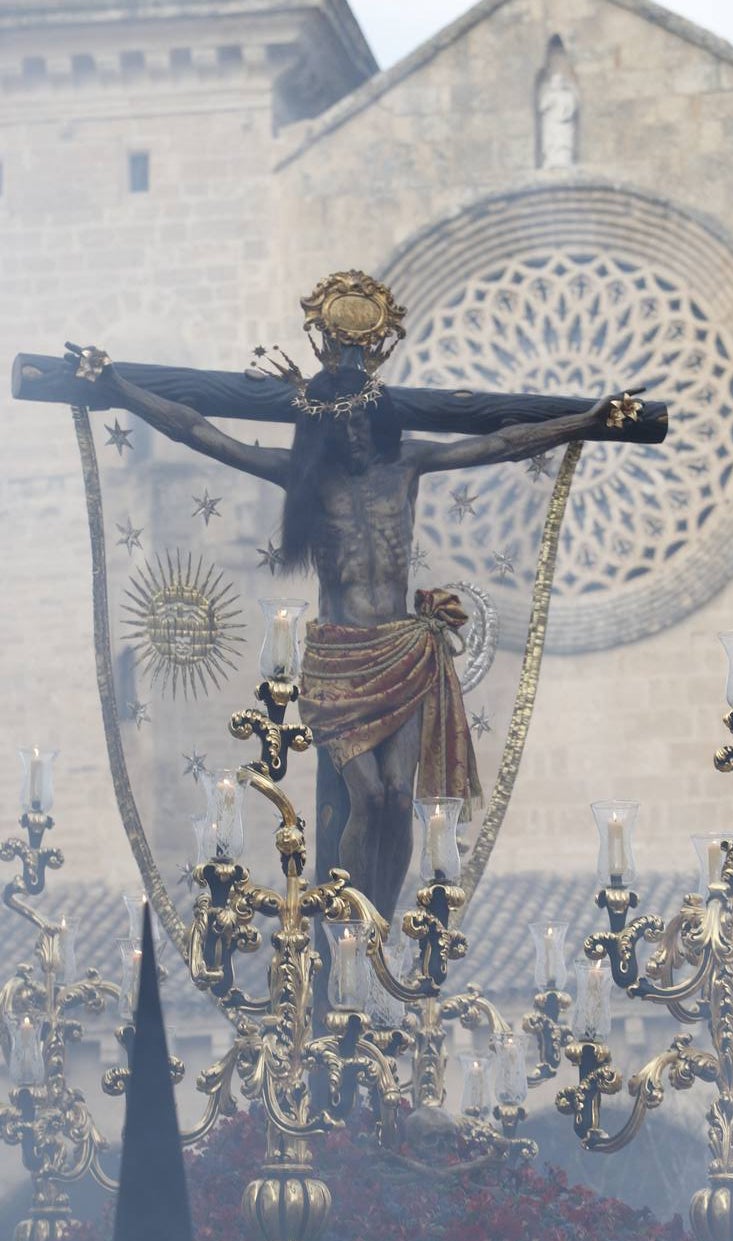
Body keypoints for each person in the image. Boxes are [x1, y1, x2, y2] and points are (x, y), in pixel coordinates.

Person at [65, 343, 627, 924]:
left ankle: (378, 932)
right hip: (338, 658)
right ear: (323, 432)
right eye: (343, 427)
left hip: (405, 653)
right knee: (370, 795)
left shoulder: (405, 465)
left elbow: (500, 444)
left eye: (362, 422)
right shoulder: (302, 476)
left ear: (378, 421)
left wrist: (588, 421)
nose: (355, 436)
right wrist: (117, 388)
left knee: (398, 799)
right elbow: (199, 433)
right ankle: (353, 921)